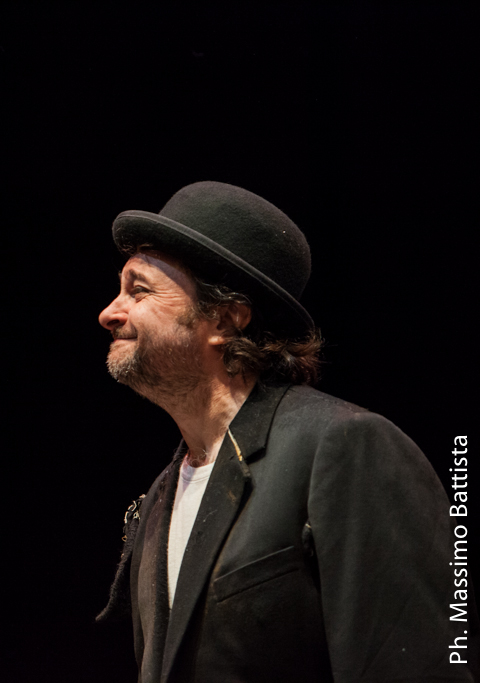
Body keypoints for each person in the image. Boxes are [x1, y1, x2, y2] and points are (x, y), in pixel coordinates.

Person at [94, 181, 478, 682]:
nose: (109, 313)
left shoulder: (345, 447)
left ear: (225, 320)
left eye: (139, 290)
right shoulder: (160, 496)